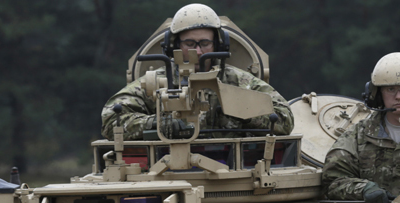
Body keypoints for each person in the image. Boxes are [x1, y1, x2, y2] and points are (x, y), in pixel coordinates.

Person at [101, 3, 294, 140]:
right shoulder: (156, 81)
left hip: (233, 170)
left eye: (204, 43)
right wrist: (158, 124)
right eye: (190, 43)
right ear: (174, 45)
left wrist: (242, 107)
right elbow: (112, 120)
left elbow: (284, 119)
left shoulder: (240, 81)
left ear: (218, 44)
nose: (198, 51)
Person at [321, 52, 400, 203]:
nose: (398, 96)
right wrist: (365, 190)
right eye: (391, 89)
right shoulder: (358, 136)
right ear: (378, 95)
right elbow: (333, 181)